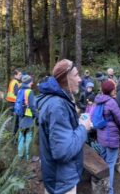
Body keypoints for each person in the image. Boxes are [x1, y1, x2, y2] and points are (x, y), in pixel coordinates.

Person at [36, 60, 93, 194]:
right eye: (76, 75)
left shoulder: (55, 100)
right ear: (66, 78)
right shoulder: (57, 106)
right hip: (61, 182)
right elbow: (63, 151)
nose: (80, 80)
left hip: (58, 178)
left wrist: (75, 123)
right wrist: (83, 128)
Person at [89, 81, 120, 193]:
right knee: (110, 164)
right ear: (111, 90)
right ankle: (109, 190)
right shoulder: (111, 102)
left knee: (104, 162)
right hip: (111, 137)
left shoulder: (98, 100)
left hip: (101, 136)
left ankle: (101, 185)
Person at [14, 76, 36, 159]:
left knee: (21, 135)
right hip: (28, 117)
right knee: (28, 136)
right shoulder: (29, 92)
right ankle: (28, 156)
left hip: (21, 116)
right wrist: (37, 115)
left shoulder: (19, 90)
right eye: (31, 82)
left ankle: (20, 155)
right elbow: (32, 106)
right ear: (28, 82)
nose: (32, 83)